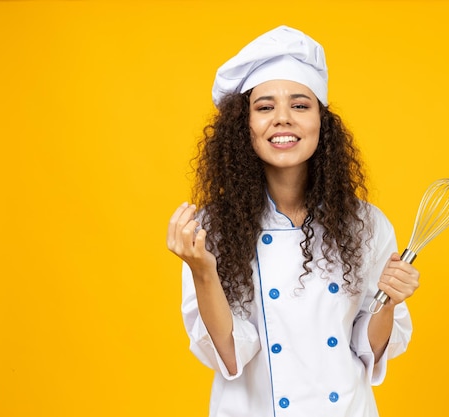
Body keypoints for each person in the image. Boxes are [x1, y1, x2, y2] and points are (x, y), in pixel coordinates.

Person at [166, 25, 420, 417]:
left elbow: (366, 352)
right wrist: (203, 271)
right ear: (244, 126)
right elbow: (231, 357)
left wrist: (388, 301)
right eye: (265, 107)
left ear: (322, 121)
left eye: (300, 105)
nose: (282, 119)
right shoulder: (211, 229)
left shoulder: (366, 224)